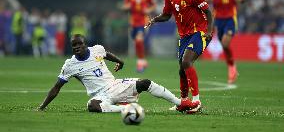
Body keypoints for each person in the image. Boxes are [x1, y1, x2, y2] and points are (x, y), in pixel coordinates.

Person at [38, 34, 199, 113]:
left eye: (79, 44)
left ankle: (180, 103)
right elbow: (56, 87)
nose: (77, 47)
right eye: (74, 46)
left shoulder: (96, 49)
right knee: (92, 105)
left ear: (85, 44)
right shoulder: (70, 64)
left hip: (115, 85)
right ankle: (127, 109)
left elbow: (106, 54)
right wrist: (42, 107)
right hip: (101, 95)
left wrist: (120, 62)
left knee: (145, 83)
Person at [145, 0, 213, 113]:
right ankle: (184, 102)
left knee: (186, 62)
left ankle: (196, 102)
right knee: (181, 70)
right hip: (184, 35)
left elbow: (208, 12)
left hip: (200, 32)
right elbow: (167, 15)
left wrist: (209, 31)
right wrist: (154, 20)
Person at [206, 0, 245, 84]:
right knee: (224, 45)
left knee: (225, 42)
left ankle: (231, 67)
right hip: (218, 19)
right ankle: (231, 65)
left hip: (230, 18)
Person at [122, 0, 156, 72]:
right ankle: (143, 60)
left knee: (139, 39)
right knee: (136, 41)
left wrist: (148, 10)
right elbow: (124, 6)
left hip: (143, 21)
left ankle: (140, 63)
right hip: (133, 22)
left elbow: (153, 5)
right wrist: (127, 7)